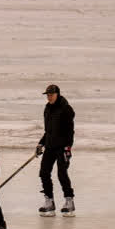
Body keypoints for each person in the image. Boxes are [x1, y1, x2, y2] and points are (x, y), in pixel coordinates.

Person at [36, 84, 75, 217]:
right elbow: (48, 131)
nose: (49, 97)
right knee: (44, 172)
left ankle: (69, 202)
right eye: (47, 95)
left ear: (57, 94)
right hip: (50, 146)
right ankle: (49, 202)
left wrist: (67, 148)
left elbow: (70, 131)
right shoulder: (47, 109)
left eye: (51, 94)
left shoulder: (66, 109)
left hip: (62, 147)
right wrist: (41, 143)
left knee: (61, 173)